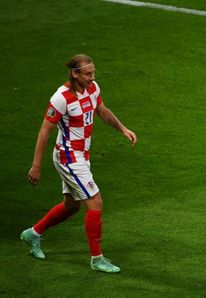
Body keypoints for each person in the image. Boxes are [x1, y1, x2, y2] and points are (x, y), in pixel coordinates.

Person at [21, 54, 137, 273]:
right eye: (88, 74)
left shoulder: (92, 89)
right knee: (95, 202)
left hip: (82, 155)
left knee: (72, 206)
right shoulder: (61, 98)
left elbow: (101, 110)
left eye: (93, 73)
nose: (93, 77)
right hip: (69, 157)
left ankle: (33, 234)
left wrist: (123, 129)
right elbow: (45, 130)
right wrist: (36, 165)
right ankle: (97, 259)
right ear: (75, 74)